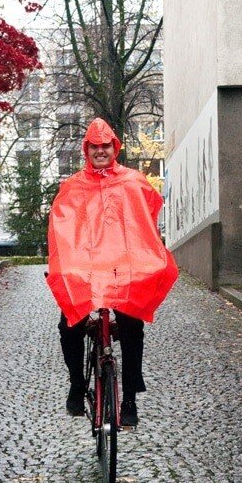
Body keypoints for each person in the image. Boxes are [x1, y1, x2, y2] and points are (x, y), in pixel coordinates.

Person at [46, 118, 178, 426]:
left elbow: (148, 216)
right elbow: (61, 229)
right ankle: (77, 385)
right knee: (70, 321)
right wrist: (68, 265)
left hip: (122, 269)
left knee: (132, 323)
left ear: (114, 147)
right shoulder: (73, 186)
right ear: (87, 149)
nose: (101, 151)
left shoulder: (133, 181)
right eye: (95, 146)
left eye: (106, 145)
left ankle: (129, 396)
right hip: (87, 269)